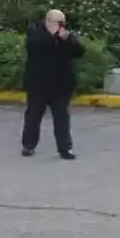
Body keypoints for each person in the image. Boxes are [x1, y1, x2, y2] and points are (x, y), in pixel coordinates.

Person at [21, 9, 82, 159]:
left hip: (60, 85)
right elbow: (35, 46)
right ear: (48, 21)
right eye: (58, 22)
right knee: (34, 115)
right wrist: (51, 35)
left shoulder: (66, 35)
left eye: (63, 23)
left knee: (62, 117)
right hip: (38, 84)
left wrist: (66, 39)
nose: (61, 26)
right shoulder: (35, 32)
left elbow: (79, 51)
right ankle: (28, 145)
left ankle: (65, 148)